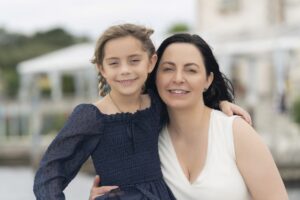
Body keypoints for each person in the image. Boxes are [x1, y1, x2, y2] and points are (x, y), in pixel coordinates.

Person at [33, 23, 250, 200]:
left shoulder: (158, 104)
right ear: (102, 68)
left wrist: (220, 104)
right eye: (114, 63)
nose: (125, 70)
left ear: (151, 62)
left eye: (134, 61)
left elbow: (189, 102)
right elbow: (49, 174)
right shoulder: (91, 117)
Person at [89, 33, 288, 200]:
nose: (177, 78)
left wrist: (220, 103)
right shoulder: (147, 138)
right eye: (167, 69)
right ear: (155, 76)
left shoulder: (235, 133)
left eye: (191, 70)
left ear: (207, 80)